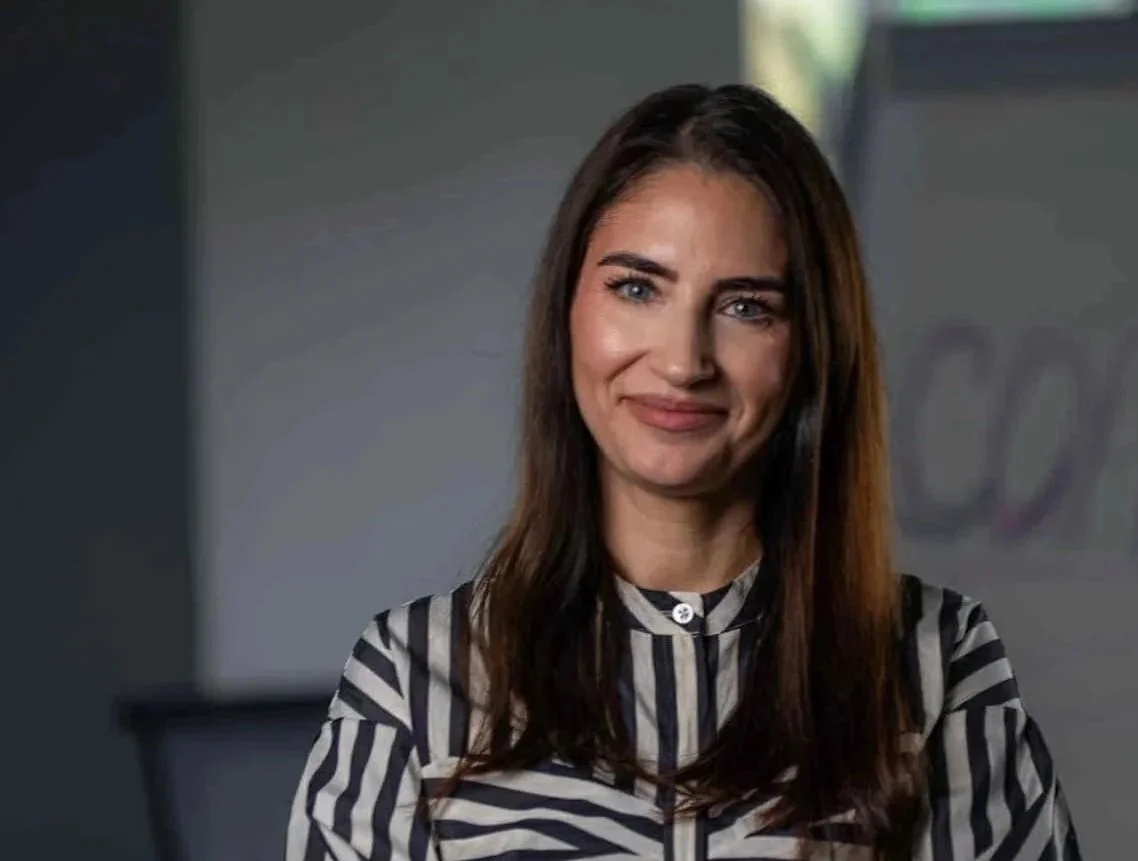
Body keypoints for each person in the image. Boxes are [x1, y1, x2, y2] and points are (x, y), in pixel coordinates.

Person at [286, 83, 1081, 861]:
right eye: (637, 288)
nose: (681, 361)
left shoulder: (936, 663)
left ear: (812, 349)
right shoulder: (412, 679)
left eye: (745, 307)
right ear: (567, 313)